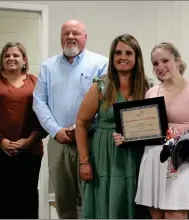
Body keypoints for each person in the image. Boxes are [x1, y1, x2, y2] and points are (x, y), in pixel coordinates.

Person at [115, 42, 189, 219]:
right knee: (157, 215)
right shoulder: (151, 93)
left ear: (177, 61)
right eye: (155, 64)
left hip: (181, 160)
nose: (160, 67)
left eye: (165, 61)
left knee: (174, 215)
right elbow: (145, 130)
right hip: (153, 158)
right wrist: (126, 137)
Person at [32, 20, 108, 219]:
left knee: (91, 198)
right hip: (59, 143)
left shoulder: (101, 64)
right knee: (63, 201)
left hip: (91, 141)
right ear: (60, 37)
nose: (70, 37)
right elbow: (39, 102)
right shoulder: (48, 67)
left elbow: (105, 102)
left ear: (85, 37)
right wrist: (56, 130)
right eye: (66, 33)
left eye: (76, 33)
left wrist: (78, 128)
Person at [75, 34, 152, 218]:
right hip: (105, 156)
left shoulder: (148, 86)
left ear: (137, 57)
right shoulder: (100, 86)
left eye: (128, 53)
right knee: (105, 205)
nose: (123, 57)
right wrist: (84, 162)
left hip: (136, 155)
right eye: (118, 53)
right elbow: (81, 123)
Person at [0, 42, 46, 219]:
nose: (11, 58)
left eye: (16, 55)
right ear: (1, 60)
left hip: (29, 151)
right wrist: (1, 141)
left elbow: (44, 114)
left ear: (24, 60)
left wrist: (29, 140)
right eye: (7, 55)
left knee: (26, 201)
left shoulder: (35, 82)